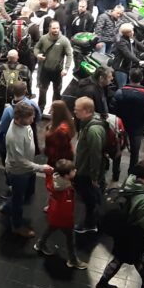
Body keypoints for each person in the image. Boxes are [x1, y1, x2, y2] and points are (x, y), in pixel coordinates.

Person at [94, 159, 144, 288]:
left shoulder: (130, 179)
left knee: (130, 257)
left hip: (122, 229)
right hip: (134, 234)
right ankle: (102, 284)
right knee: (123, 258)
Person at [0, 102, 52, 237]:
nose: (32, 120)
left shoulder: (24, 123)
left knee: (25, 193)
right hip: (19, 172)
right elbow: (20, 161)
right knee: (19, 200)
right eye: (30, 118)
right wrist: (41, 168)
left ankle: (6, 207)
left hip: (28, 168)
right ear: (19, 118)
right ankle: (16, 226)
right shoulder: (13, 137)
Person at [34, 159, 87, 269]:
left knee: (50, 228)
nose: (75, 170)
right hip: (63, 217)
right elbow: (67, 206)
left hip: (54, 214)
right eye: (73, 170)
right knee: (70, 238)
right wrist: (72, 219)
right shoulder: (65, 188)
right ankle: (73, 260)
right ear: (67, 176)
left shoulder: (55, 180)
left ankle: (40, 244)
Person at [114, 68, 144, 176]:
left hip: (121, 126)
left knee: (117, 150)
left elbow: (113, 108)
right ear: (141, 78)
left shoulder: (120, 92)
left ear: (129, 77)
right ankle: (132, 175)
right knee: (135, 153)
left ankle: (115, 173)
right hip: (137, 128)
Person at [73, 97, 106, 233]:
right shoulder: (89, 123)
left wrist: (94, 177)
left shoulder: (93, 130)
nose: (75, 112)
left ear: (87, 111)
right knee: (91, 197)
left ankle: (90, 224)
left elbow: (95, 154)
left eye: (77, 109)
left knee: (90, 199)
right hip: (85, 168)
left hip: (87, 172)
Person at [34, 21, 74, 111]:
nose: (56, 30)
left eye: (57, 28)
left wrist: (66, 69)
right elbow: (36, 48)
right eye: (54, 28)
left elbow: (69, 55)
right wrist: (37, 55)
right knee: (42, 91)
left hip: (57, 71)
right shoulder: (44, 38)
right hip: (45, 70)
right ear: (49, 28)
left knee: (57, 92)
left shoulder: (64, 40)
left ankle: (55, 110)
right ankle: (40, 108)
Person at [0, 50, 32, 125]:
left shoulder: (0, 68)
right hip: (18, 98)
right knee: (18, 115)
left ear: (7, 57)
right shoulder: (24, 69)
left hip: (2, 97)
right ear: (17, 57)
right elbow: (29, 83)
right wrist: (29, 94)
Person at [112, 23, 144, 88]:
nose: (133, 32)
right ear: (126, 32)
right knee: (122, 88)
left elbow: (141, 46)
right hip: (121, 68)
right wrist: (139, 61)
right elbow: (127, 53)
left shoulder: (131, 39)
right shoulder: (121, 42)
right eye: (131, 31)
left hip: (129, 67)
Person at [43, 101, 76, 167]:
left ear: (57, 113)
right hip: (60, 157)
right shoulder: (66, 123)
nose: (50, 112)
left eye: (52, 110)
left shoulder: (61, 131)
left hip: (58, 161)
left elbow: (61, 150)